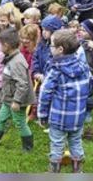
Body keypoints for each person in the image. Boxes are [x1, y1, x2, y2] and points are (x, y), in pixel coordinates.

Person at [37, 29, 90, 173]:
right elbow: (90, 84)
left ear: (60, 49)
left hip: (58, 117)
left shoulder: (56, 70)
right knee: (76, 142)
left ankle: (54, 170)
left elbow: (45, 93)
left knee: (57, 144)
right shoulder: (83, 66)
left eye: (52, 46)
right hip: (78, 117)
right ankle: (78, 170)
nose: (50, 48)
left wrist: (42, 115)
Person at [32, 15, 64, 83]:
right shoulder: (42, 43)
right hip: (38, 78)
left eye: (47, 30)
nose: (43, 32)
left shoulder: (57, 48)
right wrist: (36, 72)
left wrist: (45, 77)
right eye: (43, 29)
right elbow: (35, 57)